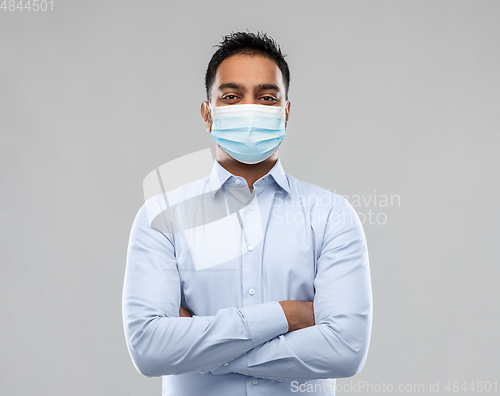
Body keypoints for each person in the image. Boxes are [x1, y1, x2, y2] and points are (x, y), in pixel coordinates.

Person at [122, 31, 373, 396]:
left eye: (267, 97)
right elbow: (148, 348)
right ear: (208, 114)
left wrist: (202, 352)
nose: (250, 109)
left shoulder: (332, 215)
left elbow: (346, 350)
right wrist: (289, 314)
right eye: (231, 96)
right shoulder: (162, 215)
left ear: (286, 113)